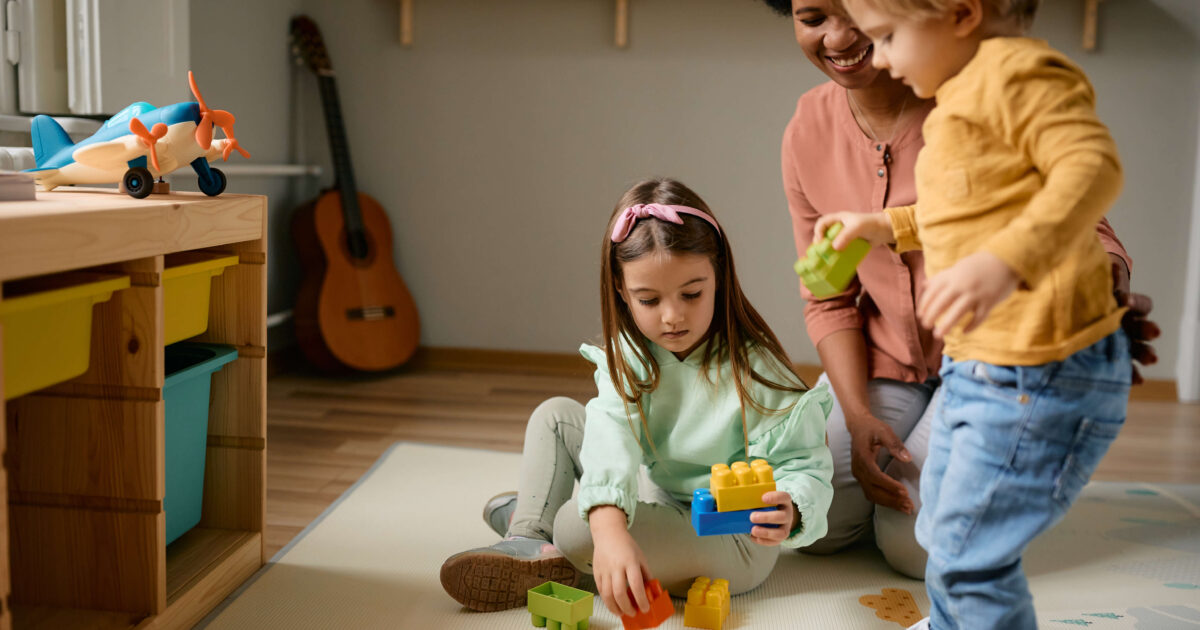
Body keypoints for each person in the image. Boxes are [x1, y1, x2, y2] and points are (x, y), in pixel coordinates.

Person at [757, 0, 1158, 580]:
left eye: (857, 14)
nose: (841, 37)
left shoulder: (975, 91)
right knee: (810, 519)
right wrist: (858, 412)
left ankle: (1017, 470)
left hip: (989, 362)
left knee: (917, 550)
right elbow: (829, 297)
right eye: (813, 16)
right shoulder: (807, 130)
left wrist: (1099, 292)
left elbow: (1079, 203)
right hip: (888, 361)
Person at [440, 177, 835, 617]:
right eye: (649, 299)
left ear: (719, 276)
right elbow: (611, 439)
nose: (673, 316)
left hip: (734, 541)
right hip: (659, 505)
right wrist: (611, 529)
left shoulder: (755, 369)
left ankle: (557, 546)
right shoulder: (629, 358)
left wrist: (794, 508)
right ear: (621, 292)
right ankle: (529, 538)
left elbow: (806, 466)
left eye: (692, 294)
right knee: (556, 417)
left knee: (577, 526)